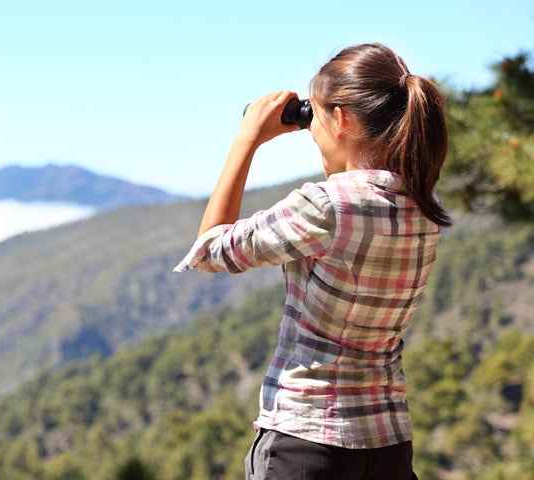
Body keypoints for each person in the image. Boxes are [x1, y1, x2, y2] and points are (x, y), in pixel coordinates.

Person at [174, 43, 450, 480]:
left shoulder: (325, 207)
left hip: (308, 440)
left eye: (315, 115)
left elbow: (211, 251)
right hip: (388, 441)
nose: (311, 127)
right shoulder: (423, 206)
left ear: (341, 119)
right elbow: (357, 205)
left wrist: (247, 140)